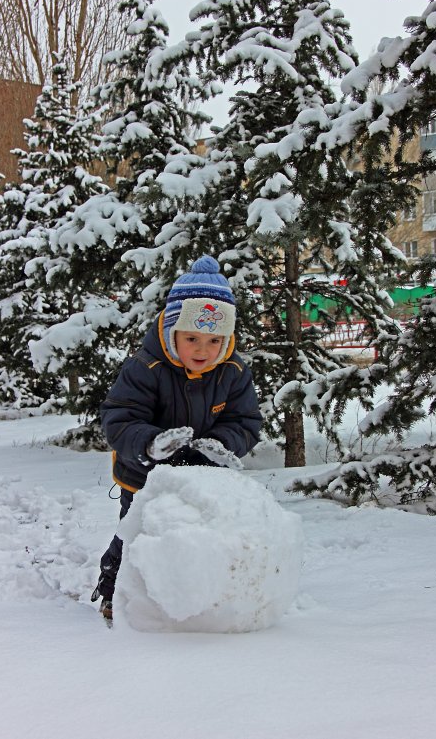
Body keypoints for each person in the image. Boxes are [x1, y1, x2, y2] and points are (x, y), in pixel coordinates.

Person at [91, 255, 263, 620]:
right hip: (144, 475)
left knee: (202, 535)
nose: (203, 350)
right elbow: (120, 418)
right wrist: (152, 444)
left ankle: (197, 594)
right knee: (135, 532)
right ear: (171, 332)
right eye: (192, 338)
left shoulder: (233, 371)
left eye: (214, 340)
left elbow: (245, 421)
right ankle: (112, 588)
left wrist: (220, 445)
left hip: (204, 475)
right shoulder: (145, 368)